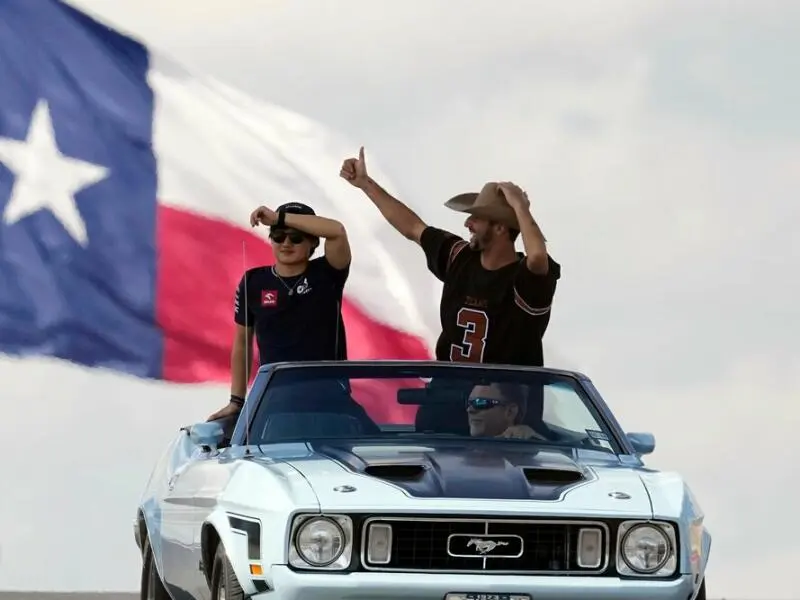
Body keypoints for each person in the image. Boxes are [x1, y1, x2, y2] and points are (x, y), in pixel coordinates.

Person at [339, 147, 560, 368]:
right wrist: (365, 183)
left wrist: (520, 207)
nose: (468, 223)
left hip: (508, 399)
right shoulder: (460, 257)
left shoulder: (526, 280)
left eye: (477, 217)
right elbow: (413, 228)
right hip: (449, 394)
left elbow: (538, 256)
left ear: (501, 228)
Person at [207, 201, 351, 425]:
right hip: (276, 400)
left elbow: (337, 231)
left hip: (329, 397)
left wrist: (279, 218)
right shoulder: (254, 281)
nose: (286, 243)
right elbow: (242, 343)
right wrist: (236, 401)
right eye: (278, 236)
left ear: (313, 241)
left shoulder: (328, 272)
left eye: (296, 238)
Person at [466, 382, 544, 440]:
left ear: (510, 411)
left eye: (480, 402)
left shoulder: (526, 456)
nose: (470, 410)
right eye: (469, 403)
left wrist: (533, 440)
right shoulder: (456, 450)